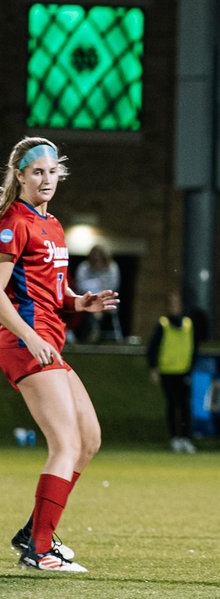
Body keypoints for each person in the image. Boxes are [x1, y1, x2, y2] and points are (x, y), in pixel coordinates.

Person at [0, 136, 120, 572]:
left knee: (89, 439)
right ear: (20, 176)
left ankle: (34, 532)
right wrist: (30, 336)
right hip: (23, 342)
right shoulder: (13, 221)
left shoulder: (52, 224)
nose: (46, 179)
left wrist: (79, 302)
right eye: (37, 172)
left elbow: (55, 290)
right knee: (65, 442)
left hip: (49, 340)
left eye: (52, 171)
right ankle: (40, 548)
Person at [147, 289, 197, 453]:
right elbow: (153, 348)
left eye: (177, 303)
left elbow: (194, 348)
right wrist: (153, 368)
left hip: (184, 371)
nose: (174, 306)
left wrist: (192, 366)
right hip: (168, 371)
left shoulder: (189, 324)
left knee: (185, 406)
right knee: (172, 405)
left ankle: (187, 439)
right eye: (171, 304)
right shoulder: (163, 324)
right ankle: (175, 438)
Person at [73, 243, 122, 342]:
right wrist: (96, 289)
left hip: (106, 298)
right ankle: (92, 332)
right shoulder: (84, 267)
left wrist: (97, 290)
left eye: (100, 258)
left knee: (97, 305)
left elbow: (113, 286)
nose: (97, 261)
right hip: (87, 298)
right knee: (91, 305)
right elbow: (80, 285)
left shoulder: (112, 268)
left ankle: (94, 332)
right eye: (95, 258)